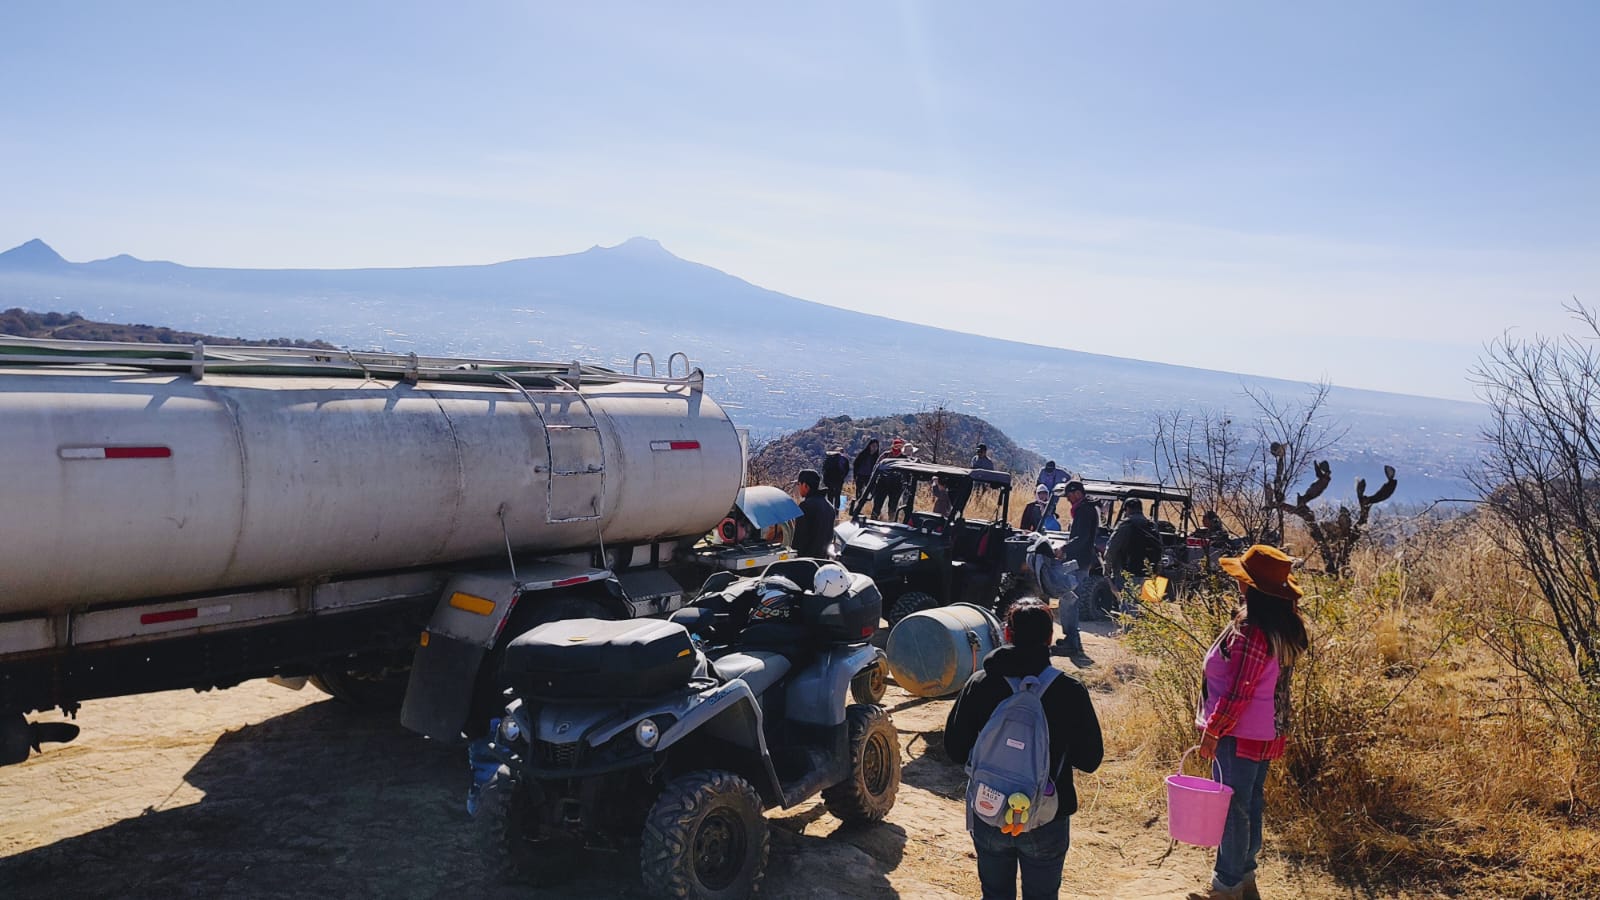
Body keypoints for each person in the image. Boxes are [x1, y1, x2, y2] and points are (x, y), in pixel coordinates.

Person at [946, 599, 1104, 900]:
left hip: (989, 808)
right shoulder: (1069, 690)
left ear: (1007, 634)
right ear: (1048, 639)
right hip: (1047, 814)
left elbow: (955, 749)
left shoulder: (981, 683)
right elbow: (1090, 760)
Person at [1187, 545, 1310, 900]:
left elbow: (1239, 690)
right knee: (1249, 805)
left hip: (1238, 734)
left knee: (1232, 809)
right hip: (1265, 733)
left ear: (1253, 588)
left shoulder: (1252, 630)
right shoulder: (1282, 627)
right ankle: (1244, 880)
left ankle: (1225, 886)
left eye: (1243, 579)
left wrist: (1213, 730)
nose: (1238, 583)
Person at [1053, 481, 1099, 655]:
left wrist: (1064, 548)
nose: (1068, 500)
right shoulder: (1087, 508)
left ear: (1078, 493)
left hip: (1078, 562)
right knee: (1070, 599)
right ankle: (1071, 640)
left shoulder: (1084, 510)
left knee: (1069, 599)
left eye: (1069, 496)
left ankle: (1072, 643)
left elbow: (1081, 538)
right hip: (1081, 560)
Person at [1104, 499, 1163, 614]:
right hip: (1149, 573)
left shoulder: (1126, 525)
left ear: (1127, 509)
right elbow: (1160, 549)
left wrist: (1107, 570)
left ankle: (1128, 631)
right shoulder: (1151, 525)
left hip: (1128, 573)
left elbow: (1111, 549)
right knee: (1144, 609)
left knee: (1128, 609)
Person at [791, 469, 836, 559]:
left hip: (806, 560)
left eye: (799, 484)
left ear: (805, 485)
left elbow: (799, 537)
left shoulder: (805, 506)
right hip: (822, 560)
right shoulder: (830, 507)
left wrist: (794, 556)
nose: (799, 488)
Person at [867, 438, 908, 520]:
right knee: (877, 504)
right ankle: (873, 520)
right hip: (882, 483)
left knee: (893, 507)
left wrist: (905, 483)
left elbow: (907, 472)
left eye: (899, 446)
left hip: (896, 485)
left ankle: (891, 522)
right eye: (896, 446)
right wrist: (873, 481)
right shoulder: (885, 455)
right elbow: (876, 467)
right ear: (892, 446)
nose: (897, 448)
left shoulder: (904, 458)